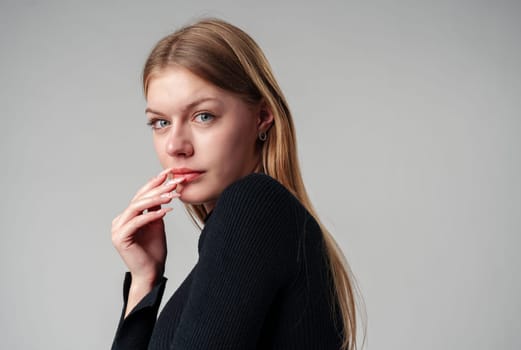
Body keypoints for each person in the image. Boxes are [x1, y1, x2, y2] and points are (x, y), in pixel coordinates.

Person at [111, 18, 364, 350]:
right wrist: (144, 280)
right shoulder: (260, 222)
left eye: (203, 116)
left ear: (261, 117)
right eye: (160, 122)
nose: (175, 145)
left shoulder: (254, 205)